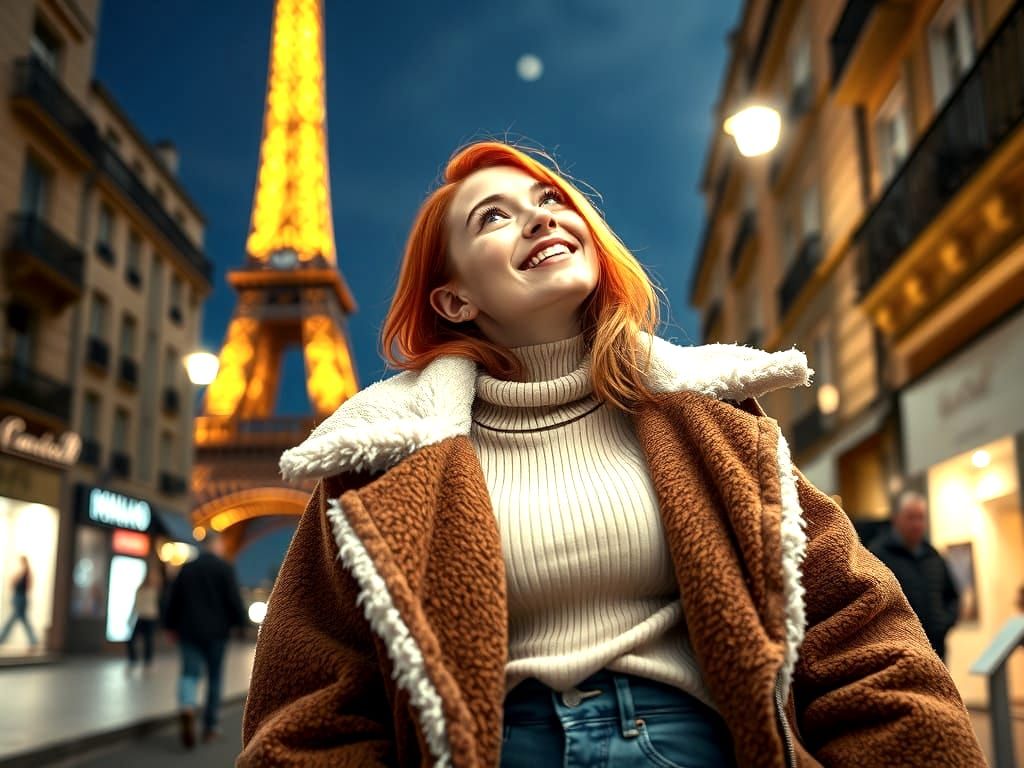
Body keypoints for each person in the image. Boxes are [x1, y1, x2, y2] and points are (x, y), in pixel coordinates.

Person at [239, 141, 985, 767]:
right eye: (494, 217)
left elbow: (855, 628)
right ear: (455, 300)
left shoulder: (712, 419)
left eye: (549, 199)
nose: (538, 216)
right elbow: (313, 705)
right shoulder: (382, 461)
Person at [164, 536, 246, 749]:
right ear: (216, 546)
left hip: (189, 630)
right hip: (217, 633)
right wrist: (241, 624)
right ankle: (210, 727)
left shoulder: (187, 568)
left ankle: (187, 707)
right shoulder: (224, 568)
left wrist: (170, 626)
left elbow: (174, 599)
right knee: (215, 678)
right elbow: (233, 600)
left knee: (189, 672)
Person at [870, 491, 961, 662]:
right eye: (911, 517)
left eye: (921, 517)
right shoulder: (877, 555)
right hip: (896, 654)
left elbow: (952, 596)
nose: (917, 524)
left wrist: (944, 623)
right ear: (896, 519)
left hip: (936, 650)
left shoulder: (933, 556)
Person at [0, 555, 38, 648]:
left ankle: (2, 637)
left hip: (21, 598)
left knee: (14, 619)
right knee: (22, 619)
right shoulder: (21, 572)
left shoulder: (26, 573)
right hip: (18, 597)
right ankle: (33, 640)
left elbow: (28, 585)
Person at [127, 568, 161, 667]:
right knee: (132, 639)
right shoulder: (140, 589)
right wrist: (131, 616)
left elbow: (158, 604)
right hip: (141, 616)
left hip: (151, 617)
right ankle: (133, 659)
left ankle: (148, 660)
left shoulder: (155, 590)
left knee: (148, 640)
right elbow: (136, 603)